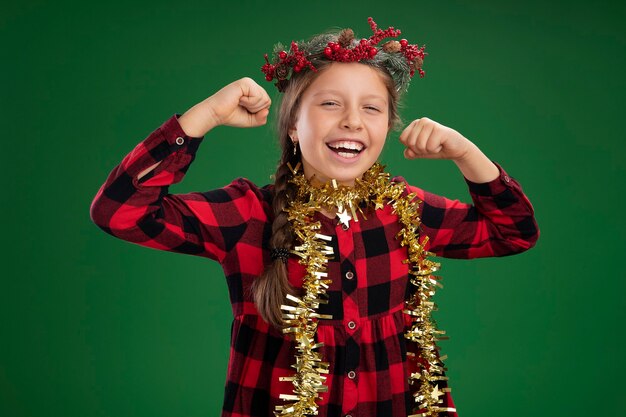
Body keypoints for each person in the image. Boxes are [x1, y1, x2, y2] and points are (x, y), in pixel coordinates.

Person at [90, 18, 539, 417]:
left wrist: (467, 155)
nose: (352, 121)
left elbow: (513, 233)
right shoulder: (247, 214)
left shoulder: (406, 211)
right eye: (329, 104)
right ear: (292, 125)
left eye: (371, 108)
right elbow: (120, 211)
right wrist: (203, 116)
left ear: (387, 127)